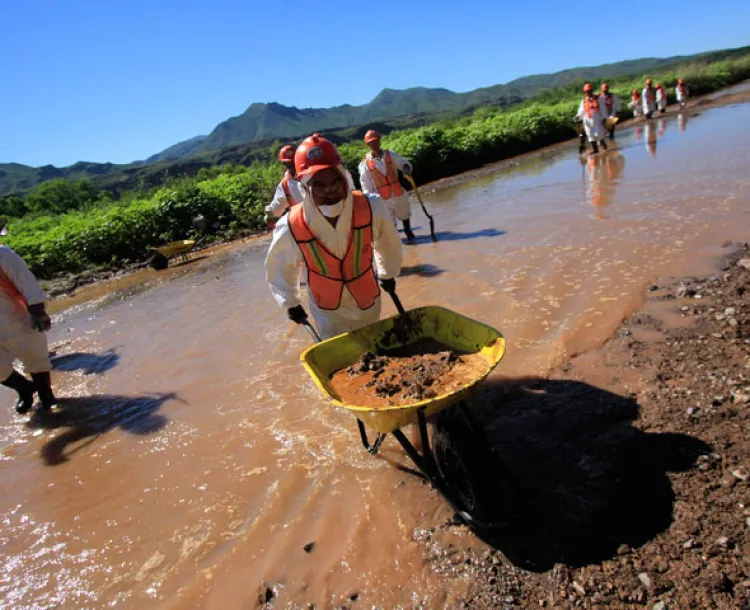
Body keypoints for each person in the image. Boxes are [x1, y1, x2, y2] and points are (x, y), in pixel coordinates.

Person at [265, 134, 403, 340]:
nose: (329, 190)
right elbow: (280, 265)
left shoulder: (371, 206)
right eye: (319, 185)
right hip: (327, 309)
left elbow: (388, 243)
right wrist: (290, 303)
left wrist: (387, 273)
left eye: (335, 182)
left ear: (343, 177)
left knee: (375, 343)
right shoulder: (290, 225)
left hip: (367, 299)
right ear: (304, 186)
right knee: (342, 357)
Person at [0, 233, 57, 415]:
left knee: (36, 359)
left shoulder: (3, 255)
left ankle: (46, 397)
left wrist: (38, 311)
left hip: (17, 319)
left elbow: (26, 281)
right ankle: (24, 388)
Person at [358, 130, 417, 243]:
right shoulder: (364, 164)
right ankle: (397, 244)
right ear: (368, 145)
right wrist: (369, 199)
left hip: (397, 192)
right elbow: (365, 183)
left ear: (380, 141)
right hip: (382, 198)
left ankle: (408, 232)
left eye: (376, 141)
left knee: (405, 213)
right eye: (372, 142)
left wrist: (406, 167)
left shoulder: (390, 154)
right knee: (390, 224)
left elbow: (403, 163)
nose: (375, 144)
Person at [264, 144, 305, 224]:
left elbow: (274, 210)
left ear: (283, 164)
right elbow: (273, 209)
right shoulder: (285, 185)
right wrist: (269, 215)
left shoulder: (285, 185)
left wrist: (268, 216)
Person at [576, 83, 608, 155]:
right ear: (585, 92)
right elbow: (582, 110)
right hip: (587, 120)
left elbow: (603, 108)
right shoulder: (584, 101)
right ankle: (595, 149)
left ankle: (603, 144)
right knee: (590, 134)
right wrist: (578, 116)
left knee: (599, 133)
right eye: (587, 91)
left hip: (597, 118)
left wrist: (604, 117)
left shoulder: (598, 98)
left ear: (591, 91)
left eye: (589, 91)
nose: (588, 92)